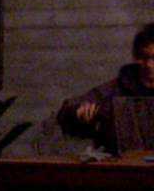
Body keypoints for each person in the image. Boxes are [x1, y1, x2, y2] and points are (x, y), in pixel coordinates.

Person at [56, 22, 154, 151]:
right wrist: (79, 113)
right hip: (123, 162)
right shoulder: (116, 89)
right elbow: (68, 110)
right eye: (143, 57)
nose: (149, 65)